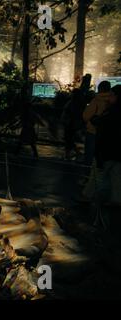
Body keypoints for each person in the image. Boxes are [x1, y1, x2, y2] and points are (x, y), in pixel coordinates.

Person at [90, 85, 121, 229]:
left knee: (102, 182)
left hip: (106, 153)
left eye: (112, 95)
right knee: (116, 181)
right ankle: (115, 207)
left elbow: (96, 122)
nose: (109, 98)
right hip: (118, 154)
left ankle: (99, 216)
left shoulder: (111, 112)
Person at [83, 81, 116, 165]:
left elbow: (86, 116)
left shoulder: (97, 100)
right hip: (108, 132)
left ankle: (89, 174)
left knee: (90, 154)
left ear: (100, 88)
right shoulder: (114, 101)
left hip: (93, 131)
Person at [61, 88, 86, 160]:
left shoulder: (72, 102)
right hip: (74, 123)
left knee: (68, 139)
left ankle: (68, 153)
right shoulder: (80, 102)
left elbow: (68, 112)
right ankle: (73, 152)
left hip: (70, 123)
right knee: (70, 139)